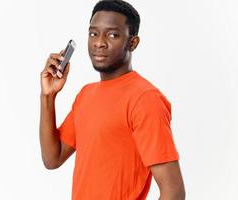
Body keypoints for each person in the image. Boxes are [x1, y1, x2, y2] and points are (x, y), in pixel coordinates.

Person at [39, 0, 185, 199]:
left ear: (132, 43)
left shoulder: (145, 99)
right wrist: (48, 96)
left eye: (112, 34)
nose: (99, 42)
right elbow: (52, 158)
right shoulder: (86, 95)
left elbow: (173, 192)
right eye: (93, 33)